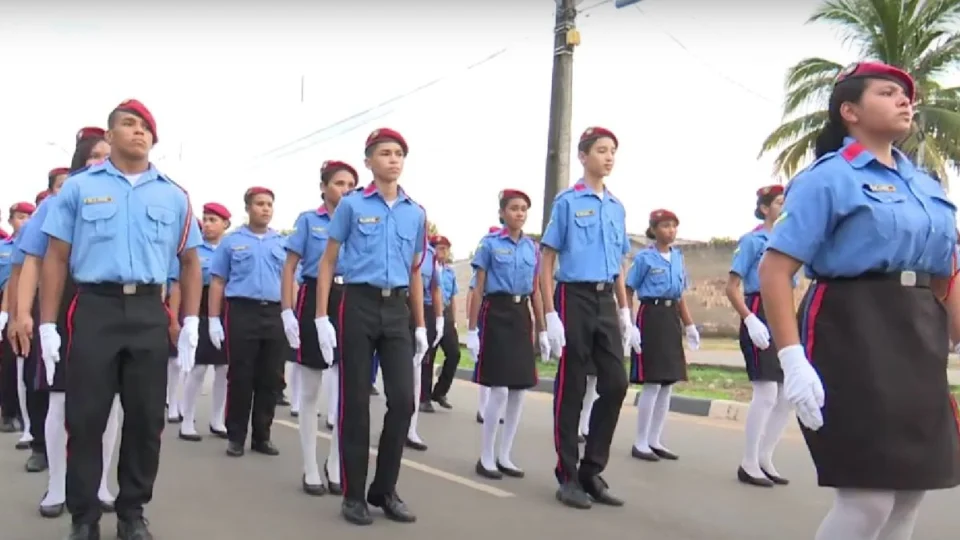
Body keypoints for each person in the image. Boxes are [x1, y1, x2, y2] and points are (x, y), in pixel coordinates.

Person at [759, 61, 960, 540]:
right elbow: (776, 268)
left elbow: (947, 271)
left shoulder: (927, 186)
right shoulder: (828, 179)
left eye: (906, 94)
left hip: (917, 334)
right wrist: (792, 359)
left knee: (911, 492)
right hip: (851, 331)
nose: (904, 100)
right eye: (888, 92)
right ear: (849, 110)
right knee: (867, 499)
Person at [38, 99, 202, 540]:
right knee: (86, 418)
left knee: (147, 418)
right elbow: (55, 257)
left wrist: (190, 321)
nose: (139, 131)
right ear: (109, 137)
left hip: (149, 311)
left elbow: (190, 261)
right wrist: (47, 324)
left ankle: (132, 512)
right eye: (128, 124)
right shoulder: (78, 188)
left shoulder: (173, 194)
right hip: (95, 308)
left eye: (146, 126)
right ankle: (84, 516)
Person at [314, 127, 428, 525]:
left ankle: (384, 489)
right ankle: (353, 493)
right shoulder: (351, 205)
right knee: (355, 402)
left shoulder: (416, 212)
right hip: (358, 304)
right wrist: (320, 315)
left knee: (403, 400)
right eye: (384, 152)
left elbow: (415, 271)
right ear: (369, 161)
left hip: (397, 309)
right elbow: (328, 261)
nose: (393, 159)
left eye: (398, 152)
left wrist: (420, 324)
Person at [12, 132, 120, 518]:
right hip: (61, 303)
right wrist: (25, 314)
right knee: (59, 396)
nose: (102, 163)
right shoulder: (57, 203)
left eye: (108, 156)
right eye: (94, 156)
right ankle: (57, 485)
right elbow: (32, 262)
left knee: (111, 402)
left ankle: (103, 482)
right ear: (79, 162)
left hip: (108, 305)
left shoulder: (125, 200)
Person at [540, 126, 637, 509]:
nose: (609, 156)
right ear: (583, 156)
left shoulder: (616, 206)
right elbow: (547, 260)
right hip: (573, 297)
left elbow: (618, 264)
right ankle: (567, 475)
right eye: (601, 150)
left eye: (613, 150)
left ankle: (591, 469)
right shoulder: (567, 202)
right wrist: (549, 313)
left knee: (616, 382)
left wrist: (626, 309)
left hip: (605, 302)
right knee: (572, 387)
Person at [281, 159, 358, 496]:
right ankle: (310, 465)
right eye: (340, 184)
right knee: (311, 388)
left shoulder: (359, 218)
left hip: (351, 298)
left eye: (352, 185)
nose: (346, 191)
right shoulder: (309, 221)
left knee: (344, 392)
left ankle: (335, 463)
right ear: (324, 187)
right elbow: (290, 267)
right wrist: (287, 311)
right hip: (314, 295)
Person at [466, 190, 548, 479]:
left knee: (519, 390)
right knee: (498, 389)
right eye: (514, 208)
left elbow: (536, 290)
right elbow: (477, 288)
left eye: (524, 209)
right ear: (502, 213)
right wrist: (472, 329)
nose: (519, 213)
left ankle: (505, 454)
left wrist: (543, 329)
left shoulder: (532, 248)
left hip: (520, 315)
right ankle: (486, 455)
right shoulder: (489, 245)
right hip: (496, 313)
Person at [725, 184, 796, 488]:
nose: (784, 207)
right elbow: (731, 286)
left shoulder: (791, 240)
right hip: (757, 311)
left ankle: (766, 456)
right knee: (766, 392)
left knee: (786, 394)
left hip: (782, 313)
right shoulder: (753, 240)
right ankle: (748, 461)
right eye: (780, 202)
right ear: (765, 208)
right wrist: (750, 319)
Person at [207, 186, 285, 458]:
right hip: (242, 311)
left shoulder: (281, 243)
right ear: (248, 208)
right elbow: (217, 281)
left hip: (274, 313)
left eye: (269, 204)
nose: (265, 209)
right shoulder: (231, 241)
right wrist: (213, 319)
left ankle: (262, 436)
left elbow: (290, 282)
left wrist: (291, 314)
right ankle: (236, 436)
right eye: (259, 204)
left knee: (270, 377)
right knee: (240, 375)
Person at [626, 209, 700, 462]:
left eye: (673, 226)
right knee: (653, 381)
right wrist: (629, 322)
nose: (670, 230)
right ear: (654, 229)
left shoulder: (678, 258)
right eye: (665, 226)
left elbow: (680, 295)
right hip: (651, 316)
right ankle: (640, 441)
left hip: (671, 318)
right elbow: (628, 289)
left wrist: (689, 325)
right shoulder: (645, 258)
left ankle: (655, 439)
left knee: (668, 382)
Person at [177, 205, 231, 441]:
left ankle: (217, 419)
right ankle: (187, 419)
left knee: (225, 369)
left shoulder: (230, 248)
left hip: (227, 307)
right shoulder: (194, 250)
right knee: (198, 367)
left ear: (225, 224)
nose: (208, 224)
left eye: (214, 220)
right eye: (206, 220)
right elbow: (181, 282)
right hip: (199, 306)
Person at [0, 200, 38, 450]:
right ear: (10, 220)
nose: (23, 221)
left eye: (27, 217)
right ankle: (11, 414)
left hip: (27, 300)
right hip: (7, 301)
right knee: (9, 363)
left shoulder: (35, 243)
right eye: (19, 217)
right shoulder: (4, 246)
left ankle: (19, 418)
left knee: (20, 363)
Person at [406, 228, 443, 451]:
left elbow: (435, 289)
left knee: (416, 370)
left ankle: (410, 428)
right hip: (398, 305)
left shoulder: (430, 254)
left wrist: (439, 319)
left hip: (422, 310)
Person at [472, 225, 504, 425]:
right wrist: (472, 325)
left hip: (510, 314)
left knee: (504, 369)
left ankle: (495, 410)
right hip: (489, 310)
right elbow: (474, 292)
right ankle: (482, 408)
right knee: (486, 363)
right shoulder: (488, 248)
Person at [429, 235, 462, 409]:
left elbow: (453, 297)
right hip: (430, 312)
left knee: (454, 353)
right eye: (440, 248)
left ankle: (440, 391)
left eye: (446, 248)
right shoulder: (427, 267)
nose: (444, 251)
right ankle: (424, 397)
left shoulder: (449, 271)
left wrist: (454, 320)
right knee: (429, 355)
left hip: (446, 314)